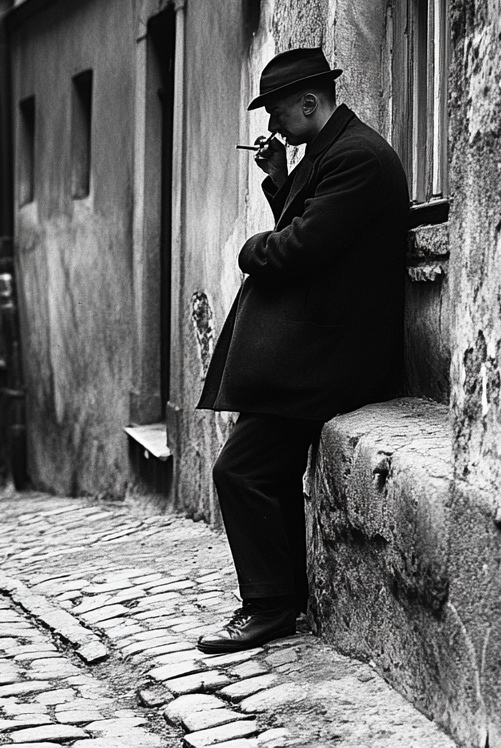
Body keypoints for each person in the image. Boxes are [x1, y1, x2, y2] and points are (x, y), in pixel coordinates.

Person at [195, 46, 409, 653]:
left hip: (330, 357)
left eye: (277, 111)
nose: (271, 125)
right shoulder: (332, 152)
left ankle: (268, 607)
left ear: (310, 102)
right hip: (314, 348)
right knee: (267, 470)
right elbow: (310, 225)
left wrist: (249, 248)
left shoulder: (357, 159)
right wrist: (280, 180)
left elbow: (300, 248)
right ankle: (280, 601)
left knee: (240, 470)